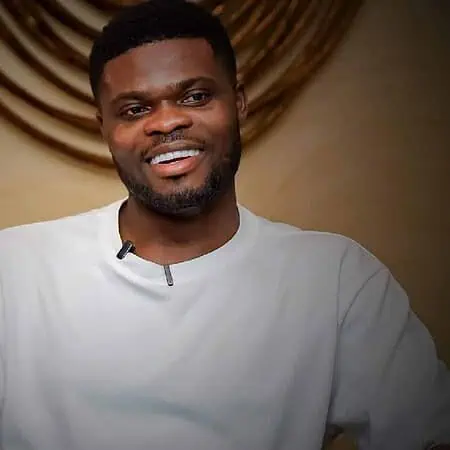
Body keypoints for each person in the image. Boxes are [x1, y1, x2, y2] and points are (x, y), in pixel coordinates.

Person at [0, 0, 449, 449]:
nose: (167, 122)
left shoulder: (335, 280)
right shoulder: (15, 270)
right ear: (105, 129)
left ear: (238, 103)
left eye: (195, 97)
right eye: (135, 109)